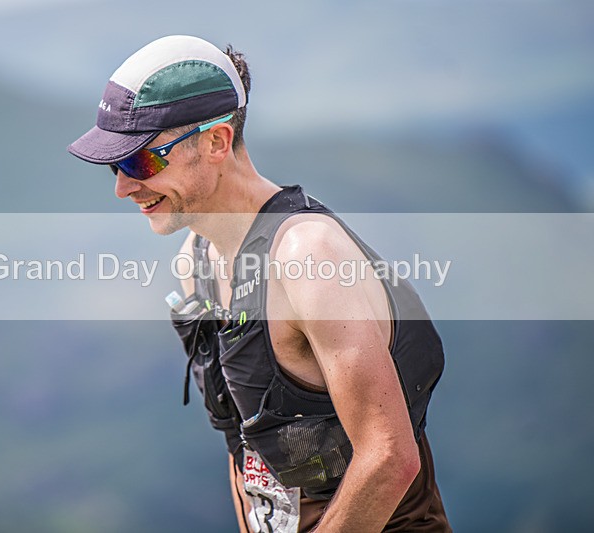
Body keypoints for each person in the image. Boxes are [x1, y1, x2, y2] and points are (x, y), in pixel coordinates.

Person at [68, 35, 451, 532]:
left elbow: (391, 457)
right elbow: (244, 449)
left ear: (216, 142)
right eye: (115, 165)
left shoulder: (307, 256)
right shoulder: (196, 261)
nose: (122, 187)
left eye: (142, 161)